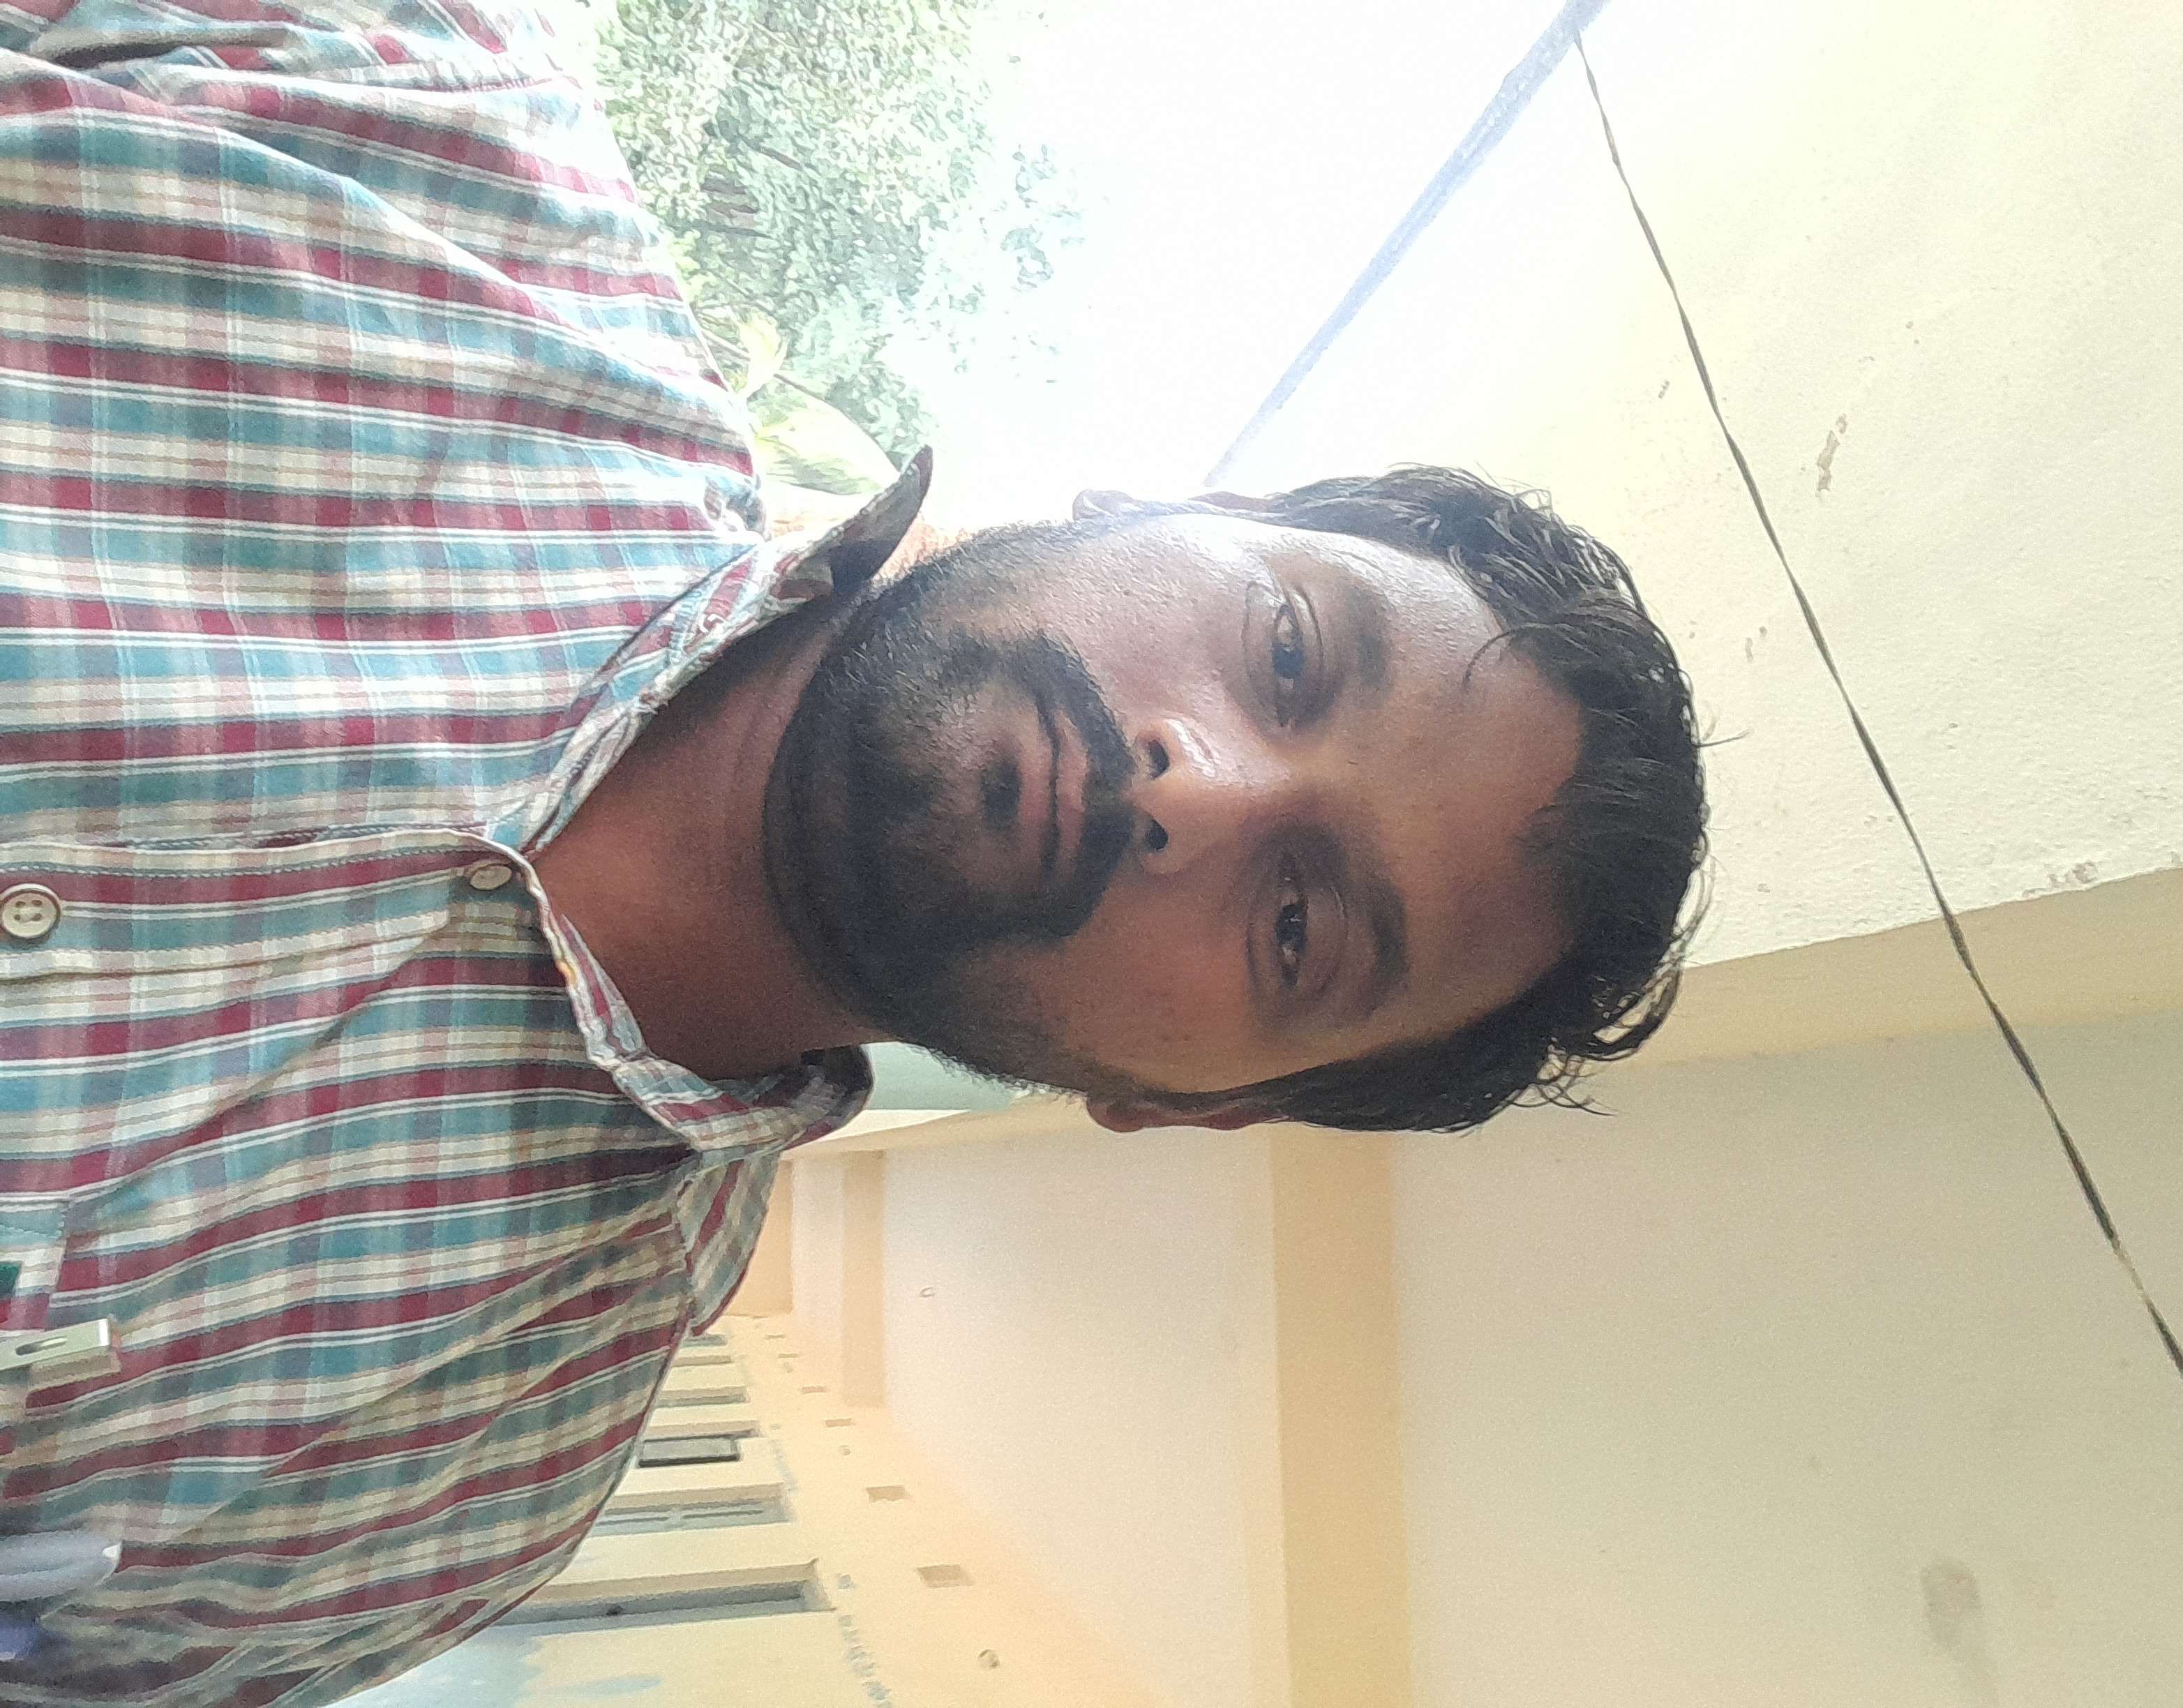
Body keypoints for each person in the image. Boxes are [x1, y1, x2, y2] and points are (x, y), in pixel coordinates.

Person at [0, 0, 1705, 1698]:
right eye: (1288, 649)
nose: (1199, 788)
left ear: (1189, 1105)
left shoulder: (450, 1483)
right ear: (1162, 505)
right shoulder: (430, 133)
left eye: (1298, 929)